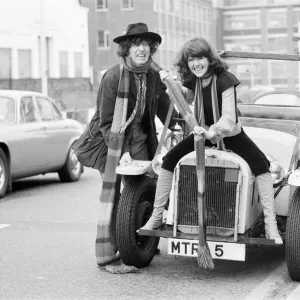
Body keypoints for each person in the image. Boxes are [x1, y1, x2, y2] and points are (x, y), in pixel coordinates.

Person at [140, 37, 283, 245]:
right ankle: (155, 217)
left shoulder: (225, 80)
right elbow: (186, 100)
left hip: (229, 135)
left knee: (262, 165)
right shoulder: (192, 79)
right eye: (191, 59)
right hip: (200, 133)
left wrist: (213, 131)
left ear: (209, 59)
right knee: (169, 159)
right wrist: (170, 83)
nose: (195, 63)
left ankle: (271, 225)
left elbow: (228, 118)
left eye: (200, 58)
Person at [94, 22, 177, 268]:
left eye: (145, 45)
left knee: (142, 190)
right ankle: (111, 252)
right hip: (109, 141)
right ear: (127, 49)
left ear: (151, 49)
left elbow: (165, 109)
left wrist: (187, 124)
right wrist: (124, 152)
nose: (141, 49)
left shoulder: (153, 75)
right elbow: (106, 122)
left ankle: (137, 241)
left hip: (140, 138)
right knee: (118, 198)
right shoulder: (112, 77)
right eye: (136, 44)